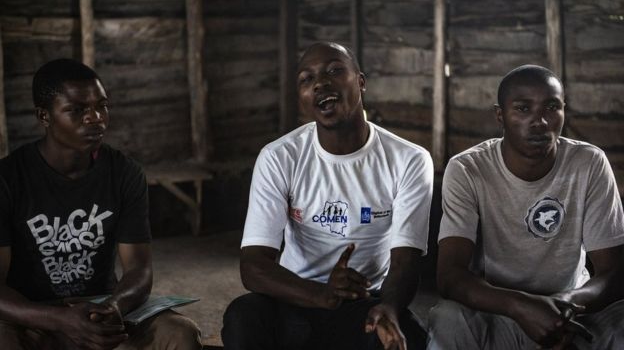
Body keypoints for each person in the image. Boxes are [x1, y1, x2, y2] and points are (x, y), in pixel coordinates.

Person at [221, 42, 433, 350]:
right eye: (307, 79)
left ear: (361, 82)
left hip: (366, 302)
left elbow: (405, 262)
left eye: (334, 70)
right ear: (302, 99)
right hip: (297, 297)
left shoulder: (409, 160)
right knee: (242, 317)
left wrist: (388, 308)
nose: (320, 83)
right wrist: (321, 295)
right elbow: (253, 266)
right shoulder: (280, 157)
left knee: (406, 337)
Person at [0, 59, 202, 349]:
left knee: (180, 333)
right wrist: (60, 319)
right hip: (35, 316)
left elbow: (139, 270)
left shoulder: (124, 173)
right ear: (44, 116)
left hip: (101, 309)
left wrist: (114, 307)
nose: (95, 117)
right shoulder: (8, 179)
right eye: (77, 110)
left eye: (102, 106)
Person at [428, 64, 624, 350]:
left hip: (573, 313)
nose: (540, 121)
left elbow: (612, 272)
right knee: (447, 318)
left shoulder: (588, 163)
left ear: (564, 111)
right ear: (500, 115)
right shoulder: (469, 168)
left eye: (551, 107)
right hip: (500, 312)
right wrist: (521, 307)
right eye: (523, 108)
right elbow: (450, 277)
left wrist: (565, 305)